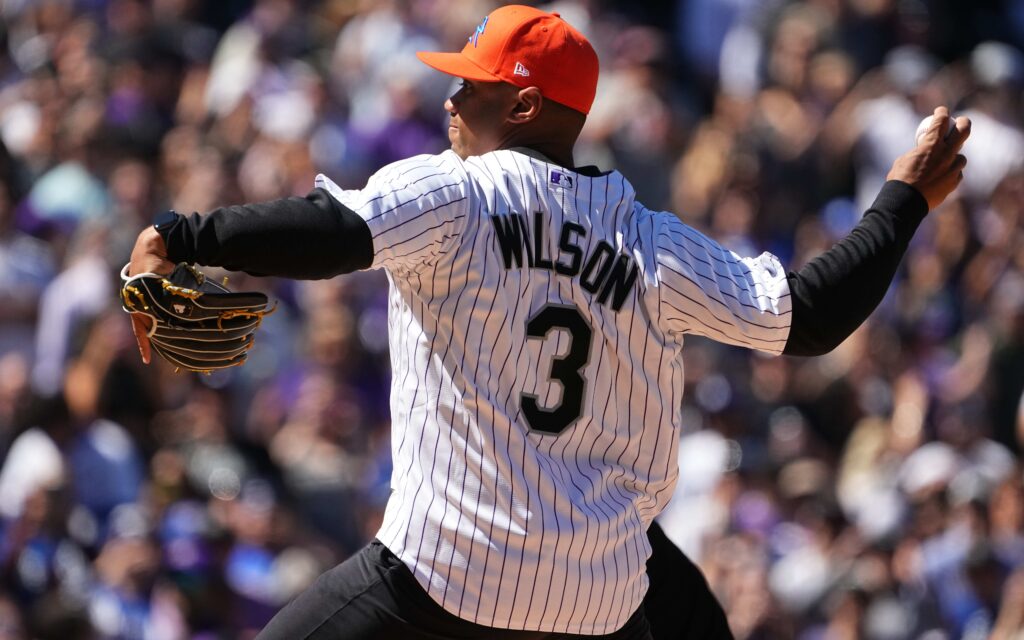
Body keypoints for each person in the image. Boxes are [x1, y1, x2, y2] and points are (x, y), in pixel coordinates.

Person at [125, 5, 969, 639]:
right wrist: (902, 202)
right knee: (672, 592)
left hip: (443, 577)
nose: (451, 99)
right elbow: (812, 317)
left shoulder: (457, 189)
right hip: (598, 601)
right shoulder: (651, 240)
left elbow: (330, 233)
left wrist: (182, 236)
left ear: (523, 108)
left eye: (471, 83)